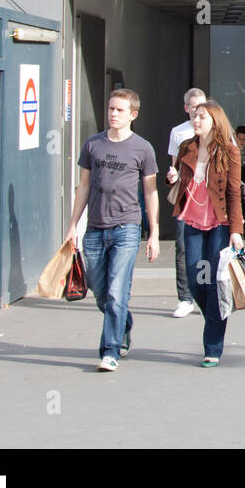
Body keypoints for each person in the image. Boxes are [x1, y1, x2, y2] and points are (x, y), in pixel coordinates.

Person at [64, 89, 160, 372]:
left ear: (133, 115)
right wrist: (73, 226)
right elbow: (83, 186)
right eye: (110, 109)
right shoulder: (93, 145)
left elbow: (151, 191)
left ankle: (110, 351)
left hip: (126, 227)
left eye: (119, 110)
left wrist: (153, 233)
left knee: (118, 292)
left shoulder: (143, 149)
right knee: (100, 292)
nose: (113, 114)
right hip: (95, 227)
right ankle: (124, 324)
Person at [173, 99, 243, 367]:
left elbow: (234, 192)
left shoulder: (229, 152)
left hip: (219, 225)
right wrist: (173, 177)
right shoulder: (187, 147)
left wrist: (236, 230)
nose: (196, 120)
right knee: (195, 280)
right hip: (192, 221)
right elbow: (181, 177)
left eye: (202, 116)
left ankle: (212, 347)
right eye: (195, 116)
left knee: (215, 283)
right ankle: (215, 317)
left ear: (215, 120)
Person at [165, 88, 205, 318]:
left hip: (207, 199)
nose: (196, 111)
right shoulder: (178, 133)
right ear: (186, 108)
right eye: (193, 106)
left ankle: (205, 296)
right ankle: (185, 298)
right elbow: (175, 166)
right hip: (185, 197)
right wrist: (173, 177)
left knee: (208, 249)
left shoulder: (216, 131)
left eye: (201, 106)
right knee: (182, 247)